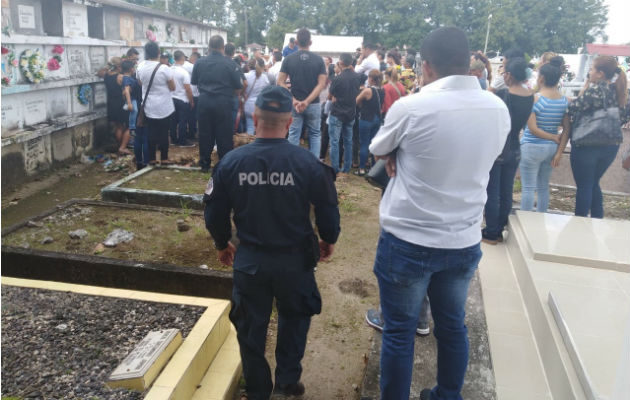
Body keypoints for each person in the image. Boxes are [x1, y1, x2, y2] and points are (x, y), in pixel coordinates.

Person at [368, 27, 510, 400]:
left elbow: (378, 147)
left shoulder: (412, 107)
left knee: (399, 332)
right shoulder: (497, 108)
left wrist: (398, 152)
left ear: (426, 67)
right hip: (462, 239)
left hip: (407, 241)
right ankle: (448, 395)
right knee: (452, 326)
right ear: (467, 64)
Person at [204, 85, 340, 400]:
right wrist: (328, 239)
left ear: (255, 117)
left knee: (250, 331)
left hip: (250, 261)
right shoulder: (307, 164)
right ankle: (286, 386)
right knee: (295, 323)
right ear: (289, 122)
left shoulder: (231, 162)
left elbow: (214, 210)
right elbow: (327, 207)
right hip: (295, 262)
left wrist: (222, 242)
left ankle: (258, 391)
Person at [568, 56, 628, 218]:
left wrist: (584, 88)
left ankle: (580, 221)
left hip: (587, 144)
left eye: (592, 69)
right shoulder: (619, 91)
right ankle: (597, 218)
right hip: (610, 146)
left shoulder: (595, 90)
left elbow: (573, 108)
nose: (590, 72)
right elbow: (623, 117)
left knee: (585, 185)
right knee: (593, 182)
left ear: (600, 73)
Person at [482, 58, 534, 244]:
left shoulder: (503, 94)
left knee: (492, 190)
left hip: (499, 147)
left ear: (509, 76)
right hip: (515, 145)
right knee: (507, 190)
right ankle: (501, 226)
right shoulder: (530, 96)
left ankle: (491, 231)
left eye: (504, 73)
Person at [520, 56, 569, 213]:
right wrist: (559, 150)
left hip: (531, 146)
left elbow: (532, 128)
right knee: (543, 186)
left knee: (528, 188)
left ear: (541, 78)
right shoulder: (564, 101)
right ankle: (542, 217)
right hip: (552, 150)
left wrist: (552, 137)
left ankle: (525, 219)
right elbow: (567, 129)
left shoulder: (535, 99)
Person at [192, 35, 244, 172]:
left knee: (204, 133)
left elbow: (195, 83)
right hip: (224, 101)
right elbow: (239, 88)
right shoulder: (231, 64)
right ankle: (224, 166)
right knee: (224, 134)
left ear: (209, 46)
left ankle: (204, 164)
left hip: (204, 101)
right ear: (223, 47)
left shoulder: (199, 62)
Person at [278, 28, 327, 157]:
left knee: (294, 133)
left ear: (297, 42)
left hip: (295, 103)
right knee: (315, 134)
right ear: (310, 42)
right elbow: (321, 84)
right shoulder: (319, 60)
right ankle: (314, 164)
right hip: (313, 104)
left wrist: (294, 100)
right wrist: (307, 101)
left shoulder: (288, 59)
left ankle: (293, 163)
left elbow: (280, 82)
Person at [137, 41, 175, 164]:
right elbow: (172, 87)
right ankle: (164, 158)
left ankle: (152, 158)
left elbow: (140, 83)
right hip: (164, 106)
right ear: (158, 53)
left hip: (148, 105)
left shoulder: (140, 66)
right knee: (164, 132)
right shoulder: (164, 68)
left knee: (151, 132)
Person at [327, 53, 362, 174]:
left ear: (341, 63)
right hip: (351, 112)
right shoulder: (357, 77)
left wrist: (334, 97)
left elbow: (330, 95)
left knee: (334, 142)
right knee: (348, 141)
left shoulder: (337, 79)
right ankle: (346, 168)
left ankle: (335, 168)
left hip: (337, 112)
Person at [121, 60, 149, 169]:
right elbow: (127, 91)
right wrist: (129, 103)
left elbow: (125, 92)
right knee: (145, 137)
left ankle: (139, 162)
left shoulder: (131, 79)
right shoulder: (131, 80)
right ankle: (145, 161)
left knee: (139, 138)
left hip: (138, 109)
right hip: (142, 110)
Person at [104, 57, 132, 155]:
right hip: (120, 102)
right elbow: (126, 91)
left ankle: (120, 145)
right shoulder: (120, 77)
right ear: (119, 66)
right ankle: (122, 147)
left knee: (118, 126)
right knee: (126, 126)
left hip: (111, 102)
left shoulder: (106, 75)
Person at [170, 50, 195, 147]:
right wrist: (191, 101)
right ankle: (182, 141)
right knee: (182, 121)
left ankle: (173, 139)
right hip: (182, 99)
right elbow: (188, 89)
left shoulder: (169, 69)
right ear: (183, 58)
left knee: (173, 121)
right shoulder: (184, 72)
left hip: (171, 98)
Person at [243, 57, 271, 135]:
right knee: (259, 127)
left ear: (248, 66)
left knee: (250, 126)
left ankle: (249, 142)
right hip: (260, 104)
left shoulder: (245, 76)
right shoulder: (264, 77)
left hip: (247, 104)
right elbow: (267, 90)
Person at [226, 42, 247, 134]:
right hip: (233, 96)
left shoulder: (219, 63)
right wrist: (240, 93)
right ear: (234, 52)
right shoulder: (235, 65)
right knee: (236, 119)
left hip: (220, 96)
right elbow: (245, 83)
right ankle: (237, 137)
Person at [184, 51, 201, 141]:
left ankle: (188, 133)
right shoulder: (192, 67)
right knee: (193, 116)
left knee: (187, 116)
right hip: (194, 94)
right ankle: (192, 133)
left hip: (185, 95)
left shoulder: (182, 65)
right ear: (195, 59)